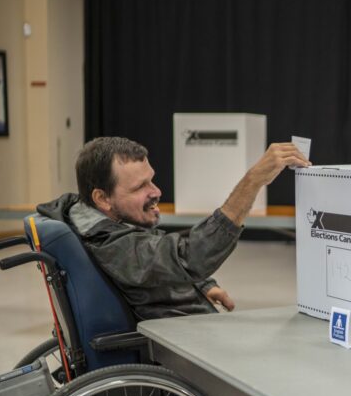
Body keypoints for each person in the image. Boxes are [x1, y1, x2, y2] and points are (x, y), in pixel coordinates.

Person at [37, 136, 310, 320]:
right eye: (140, 187)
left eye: (151, 180)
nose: (156, 191)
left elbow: (155, 254)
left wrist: (201, 285)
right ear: (102, 198)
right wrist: (253, 182)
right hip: (178, 353)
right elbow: (190, 257)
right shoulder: (110, 243)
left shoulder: (100, 220)